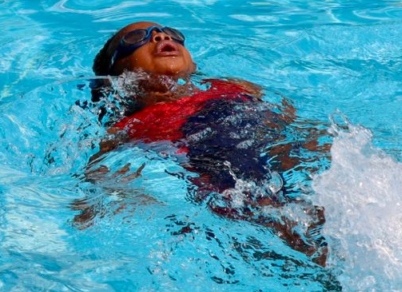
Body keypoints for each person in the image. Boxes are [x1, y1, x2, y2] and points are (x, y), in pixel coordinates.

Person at [77, 20, 328, 265]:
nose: (160, 36)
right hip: (229, 190)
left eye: (170, 32)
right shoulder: (130, 126)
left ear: (193, 64)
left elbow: (288, 122)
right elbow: (98, 172)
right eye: (136, 38)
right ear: (116, 74)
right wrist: (90, 206)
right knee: (294, 234)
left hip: (287, 162)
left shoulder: (234, 87)